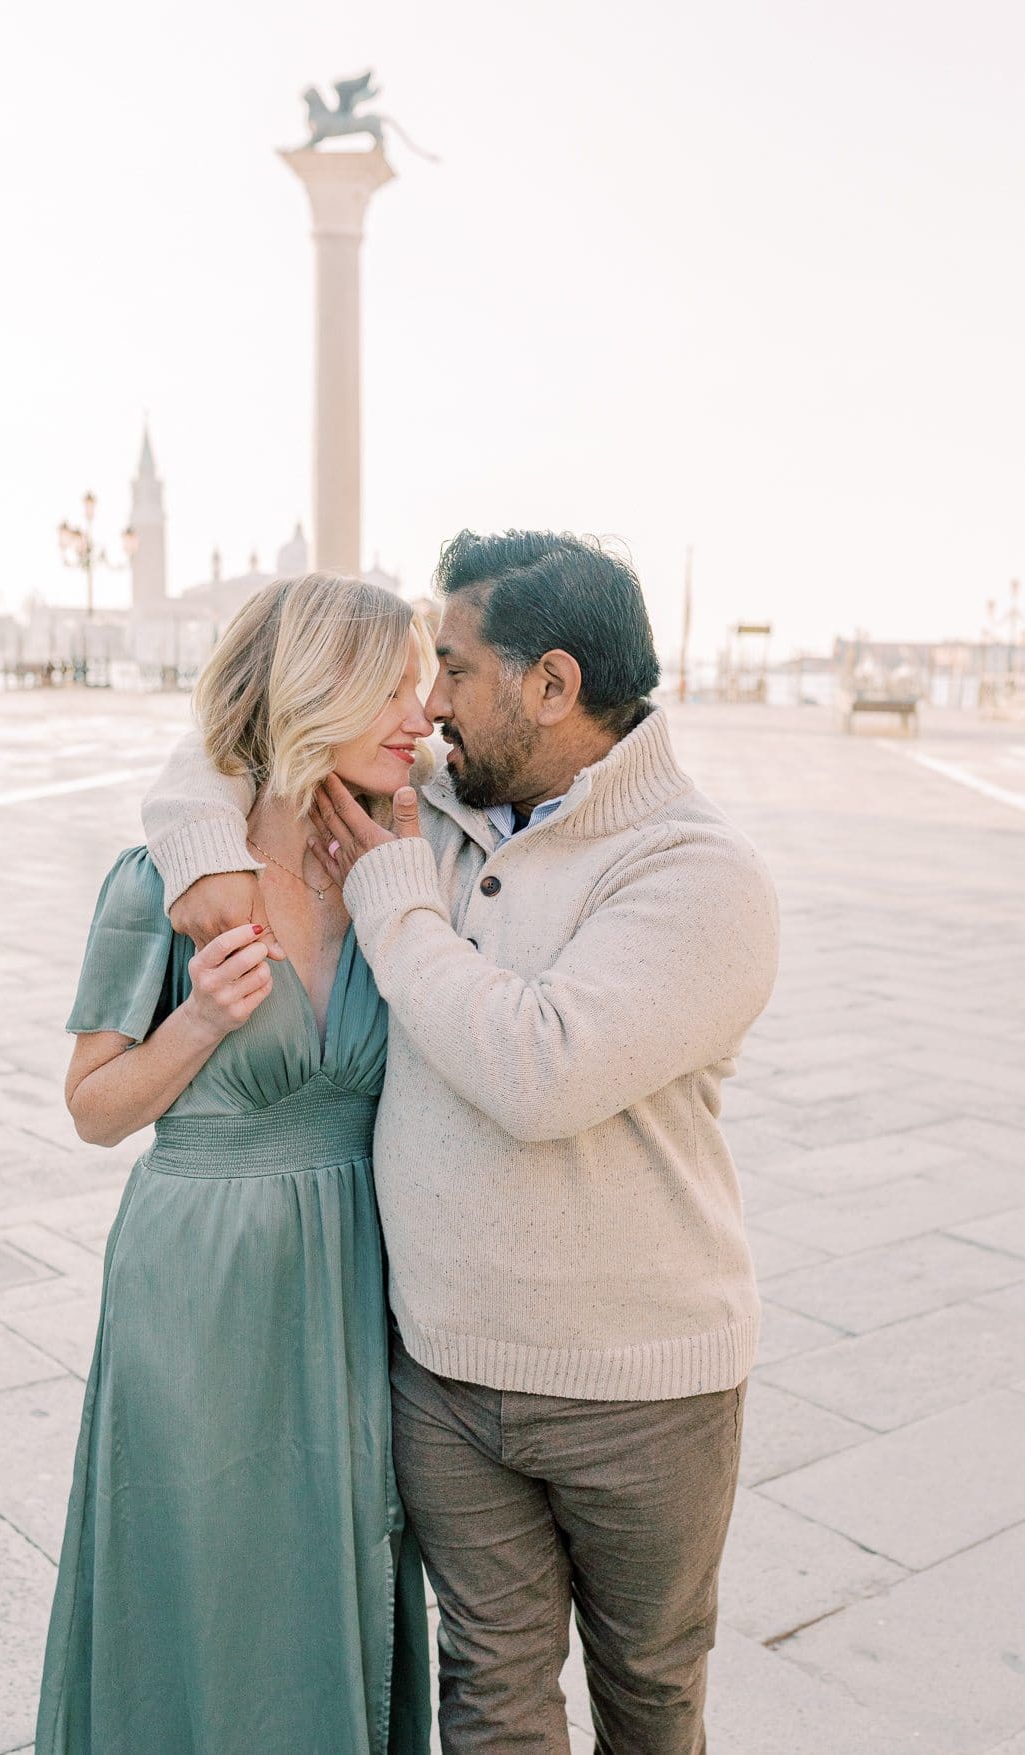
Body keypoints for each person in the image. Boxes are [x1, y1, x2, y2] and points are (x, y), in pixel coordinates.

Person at [142, 530, 780, 1755]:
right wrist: (194, 842)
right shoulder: (430, 802)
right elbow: (245, 733)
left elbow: (538, 1072)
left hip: (638, 1391)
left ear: (552, 686)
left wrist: (396, 905)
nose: (428, 708)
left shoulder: (700, 877)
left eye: (454, 671)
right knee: (488, 1703)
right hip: (442, 1374)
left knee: (649, 1699)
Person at [36, 573, 434, 1755]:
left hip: (357, 1271)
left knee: (347, 1550)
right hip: (199, 1283)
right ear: (319, 694)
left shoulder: (393, 861)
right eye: (394, 689)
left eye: (424, 685)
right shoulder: (156, 881)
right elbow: (95, 1113)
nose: (423, 716)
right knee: (202, 1565)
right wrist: (198, 1024)